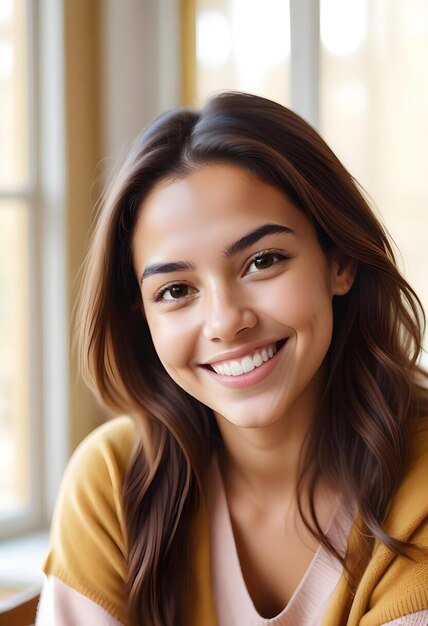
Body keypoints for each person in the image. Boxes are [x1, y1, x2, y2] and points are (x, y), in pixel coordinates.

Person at [36, 92, 428, 626]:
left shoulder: (420, 489)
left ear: (339, 261)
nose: (225, 321)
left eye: (263, 261)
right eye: (176, 290)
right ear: (142, 319)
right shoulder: (114, 481)